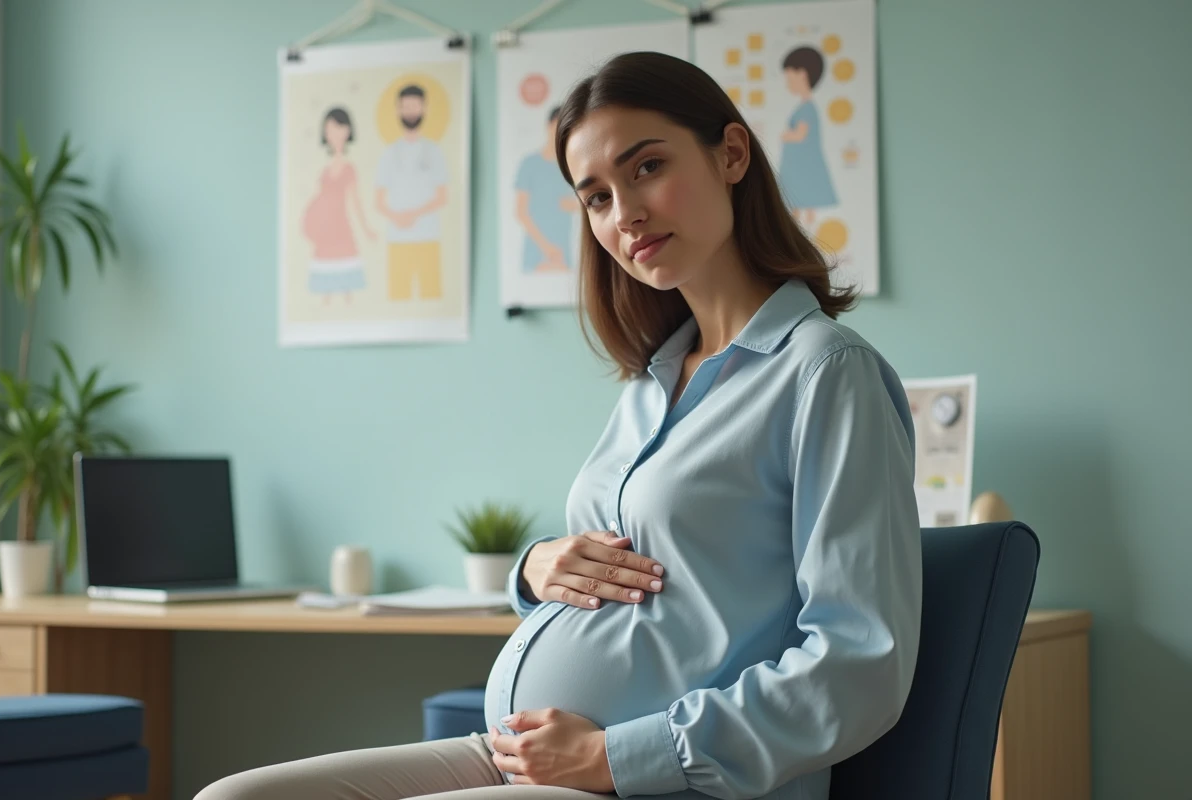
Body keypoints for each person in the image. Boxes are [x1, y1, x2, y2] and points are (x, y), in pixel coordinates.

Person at [196, 51, 920, 800]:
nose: (624, 214)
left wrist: (617, 758)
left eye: (645, 169)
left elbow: (859, 664)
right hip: (528, 756)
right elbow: (640, 575)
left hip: (670, 782)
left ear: (731, 154)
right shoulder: (653, 382)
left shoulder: (826, 374)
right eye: (596, 197)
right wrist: (533, 568)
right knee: (234, 799)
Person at [375, 84, 449, 301]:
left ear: (424, 108)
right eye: (405, 106)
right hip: (398, 240)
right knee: (399, 294)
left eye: (415, 106)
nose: (410, 111)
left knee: (431, 292)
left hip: (428, 236)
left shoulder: (434, 151)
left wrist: (413, 214)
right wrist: (397, 217)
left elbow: (442, 196)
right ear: (398, 109)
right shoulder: (389, 154)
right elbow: (378, 201)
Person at [302, 107, 376, 303]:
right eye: (329, 129)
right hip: (325, 228)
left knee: (345, 284)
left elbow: (355, 201)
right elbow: (317, 199)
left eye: (338, 128)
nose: (333, 133)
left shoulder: (349, 168)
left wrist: (366, 229)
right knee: (326, 283)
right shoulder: (324, 169)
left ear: (347, 130)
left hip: (340, 226)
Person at [515, 106, 580, 272]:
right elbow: (521, 212)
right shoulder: (530, 164)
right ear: (548, 126)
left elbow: (586, 202)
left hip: (562, 245)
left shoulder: (572, 165)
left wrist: (572, 205)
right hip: (537, 248)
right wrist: (547, 248)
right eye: (556, 126)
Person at [778, 46, 838, 227]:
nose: (787, 83)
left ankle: (806, 226)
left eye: (789, 77)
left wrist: (786, 136)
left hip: (803, 164)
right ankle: (800, 225)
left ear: (802, 75)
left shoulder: (807, 108)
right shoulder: (804, 106)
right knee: (798, 198)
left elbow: (801, 133)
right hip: (798, 163)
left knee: (803, 195)